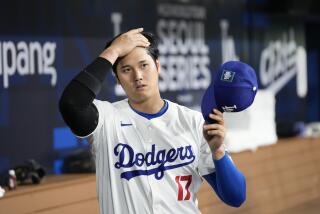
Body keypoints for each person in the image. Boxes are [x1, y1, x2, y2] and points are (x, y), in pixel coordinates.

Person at [59, 28, 246, 214]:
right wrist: (113, 51)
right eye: (126, 69)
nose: (137, 76)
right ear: (117, 79)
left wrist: (218, 152)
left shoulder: (192, 122)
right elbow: (71, 103)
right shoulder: (106, 119)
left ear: (158, 66)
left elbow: (236, 197)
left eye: (143, 65)